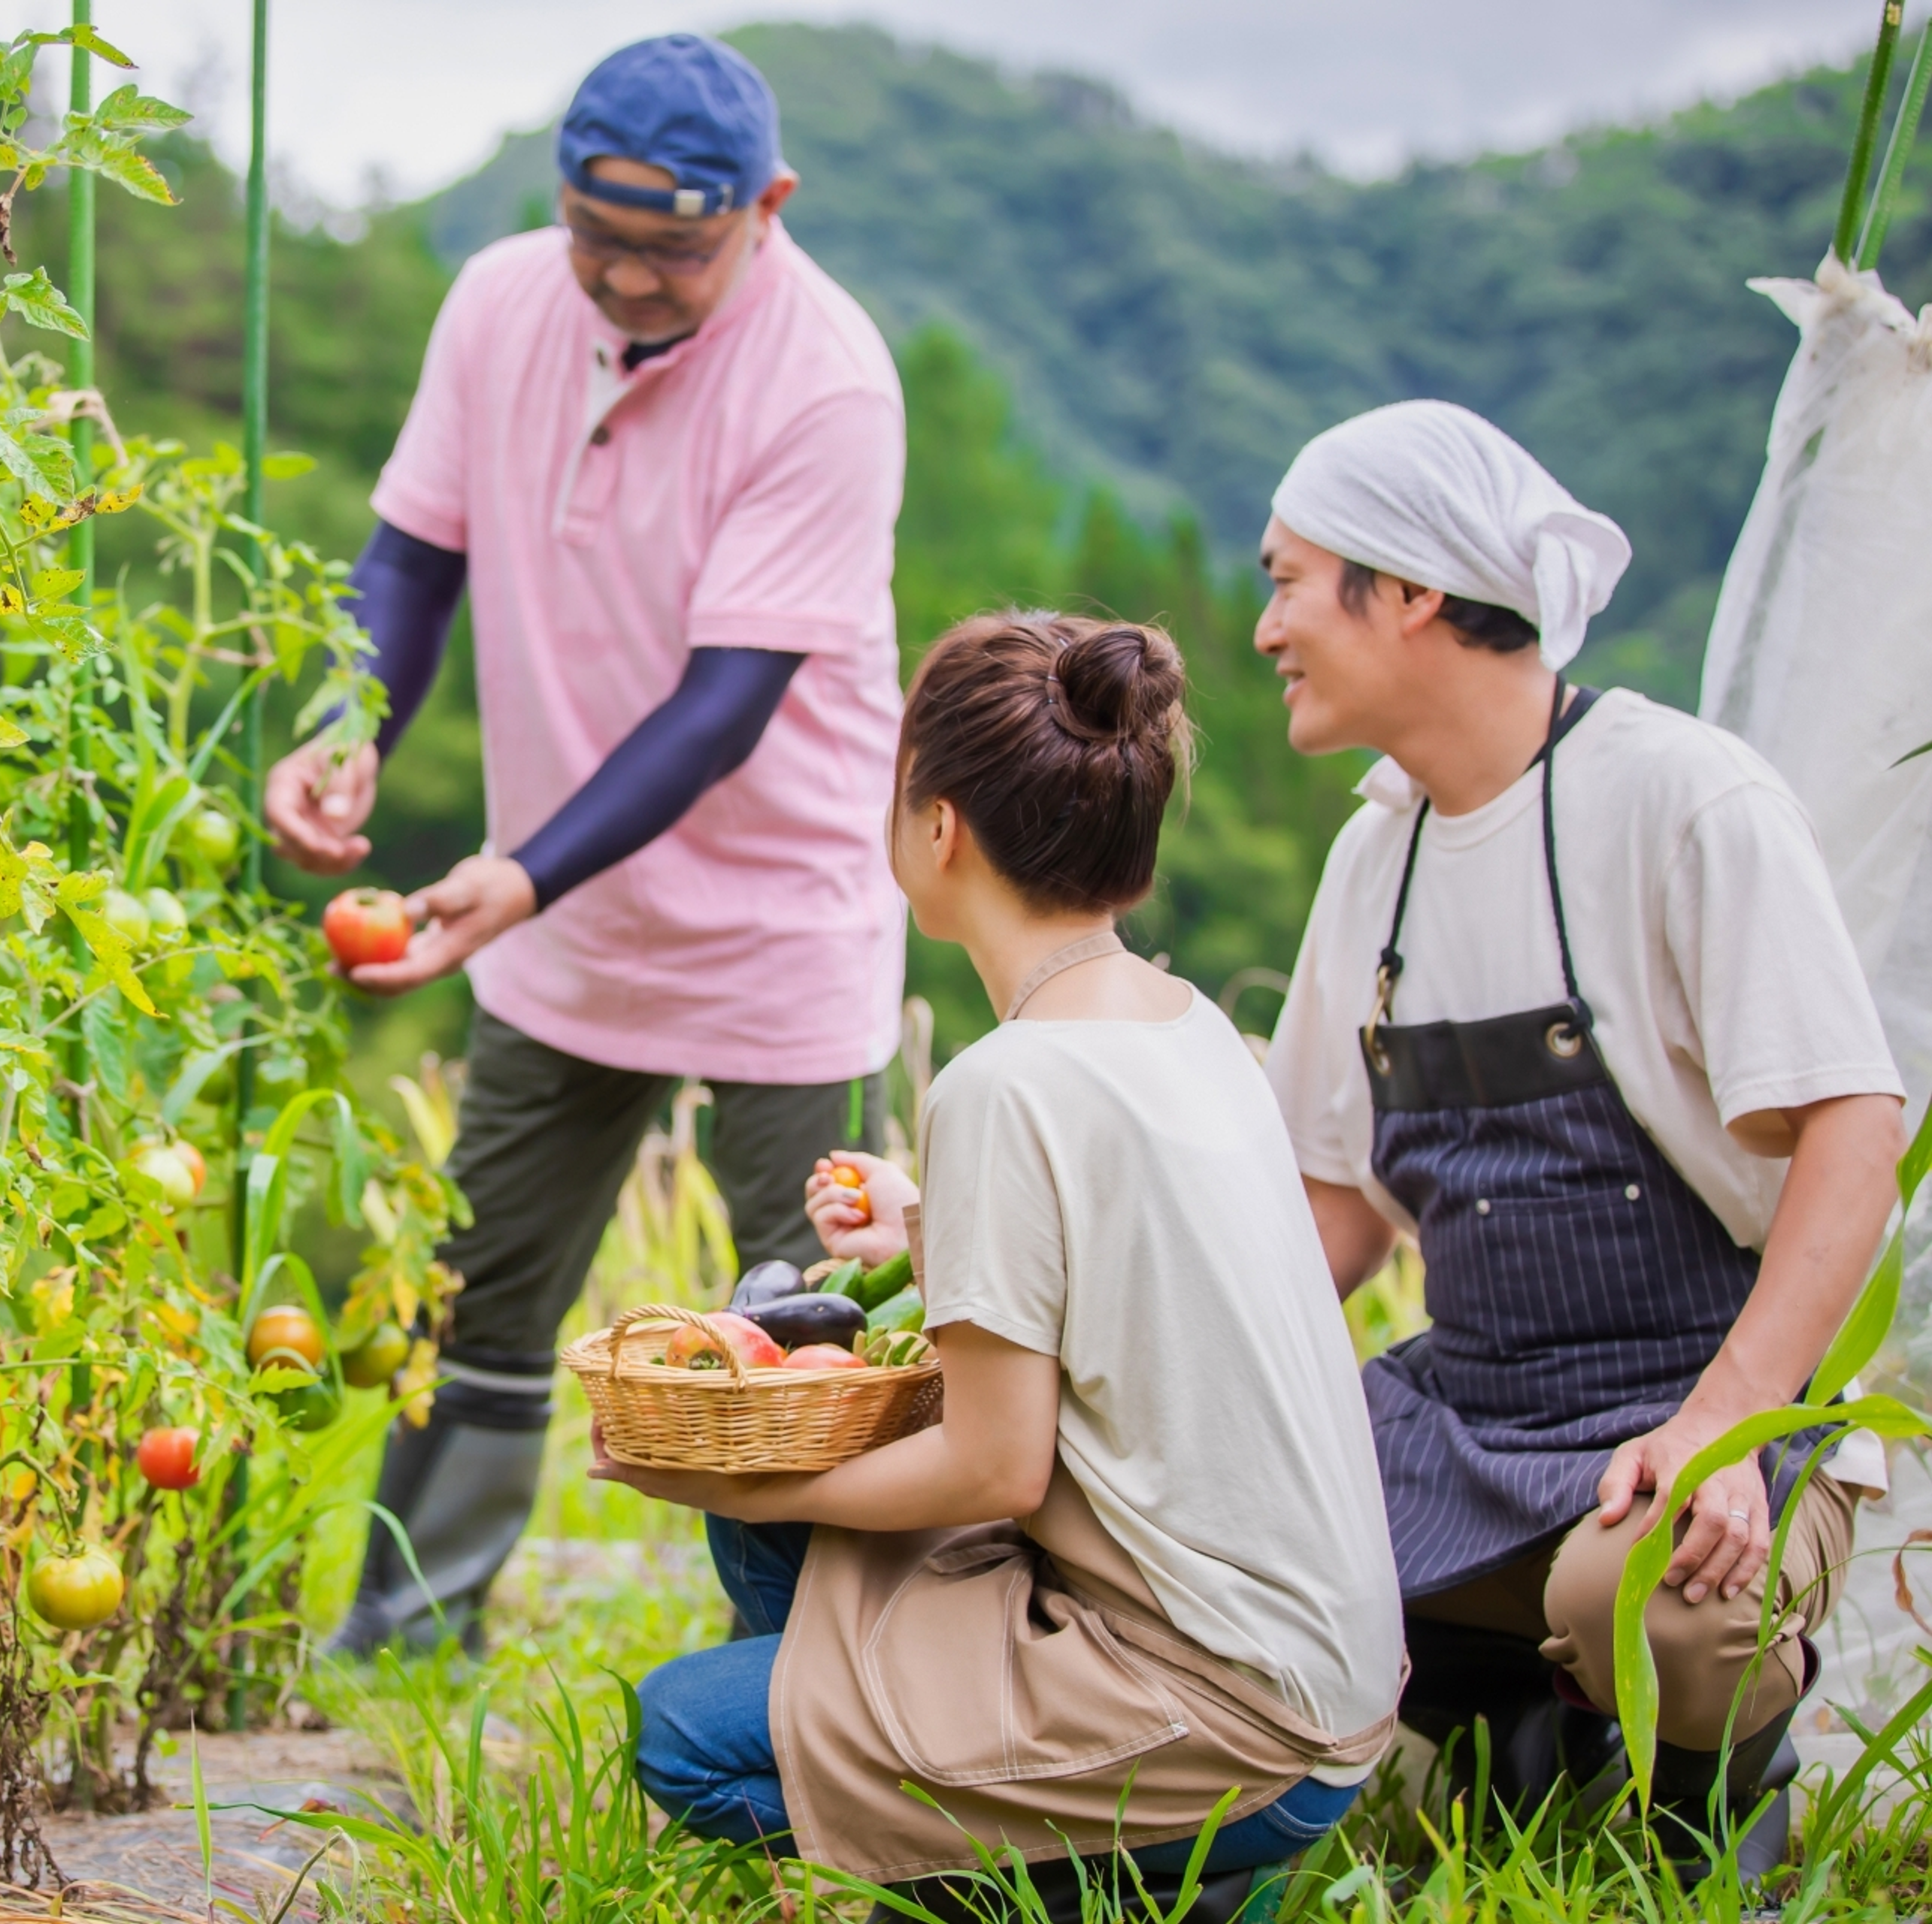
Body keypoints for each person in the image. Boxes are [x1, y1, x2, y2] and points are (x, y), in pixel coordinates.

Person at [266, 35, 910, 1654]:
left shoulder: (827, 381)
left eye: (674, 249)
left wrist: (520, 871)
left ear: (769, 207)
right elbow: (410, 559)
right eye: (595, 236)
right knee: (482, 1285)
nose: (625, 277)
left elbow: (726, 704)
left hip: (779, 921)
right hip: (559, 910)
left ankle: (822, 1671)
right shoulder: (498, 303)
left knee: (809, 1327)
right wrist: (353, 725)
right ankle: (410, 1633)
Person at [598, 615, 1403, 1903]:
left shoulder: (1006, 1085)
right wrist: (933, 1220)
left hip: (1222, 1710)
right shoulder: (1185, 1027)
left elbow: (995, 1463)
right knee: (797, 1542)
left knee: (689, 1736)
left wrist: (743, 1489)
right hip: (1321, 1672)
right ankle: (975, 1783)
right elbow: (1124, 1269)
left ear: (939, 828)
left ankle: (1098, 1879)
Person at [1254, 401, 1906, 1851]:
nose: (1266, 629)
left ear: (1411, 588)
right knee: (1226, 1523)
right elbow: (1336, 1217)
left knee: (1644, 1608)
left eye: (1288, 580)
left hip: (1709, 1413)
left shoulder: (1681, 798)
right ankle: (1509, 1731)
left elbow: (1855, 1130)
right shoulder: (1377, 854)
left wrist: (1733, 1420)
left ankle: (1716, 1797)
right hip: (1475, 1408)